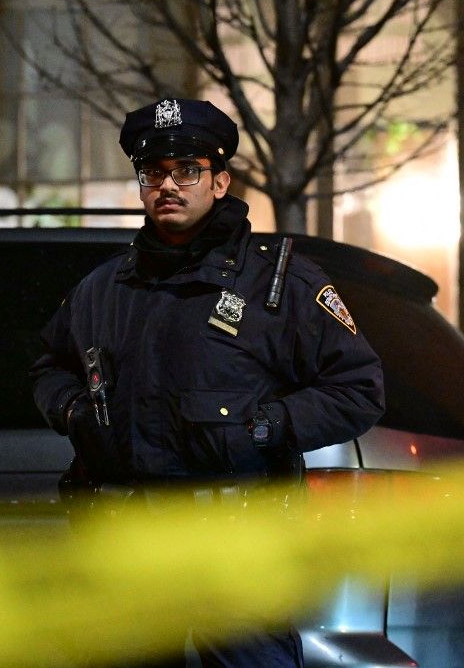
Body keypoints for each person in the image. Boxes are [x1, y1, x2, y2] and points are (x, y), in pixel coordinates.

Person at [29, 97, 385, 667]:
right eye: (154, 173)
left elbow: (358, 389)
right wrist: (73, 412)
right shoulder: (103, 288)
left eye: (188, 171)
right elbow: (50, 365)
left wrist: (267, 426)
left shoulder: (278, 283)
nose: (169, 186)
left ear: (220, 182)